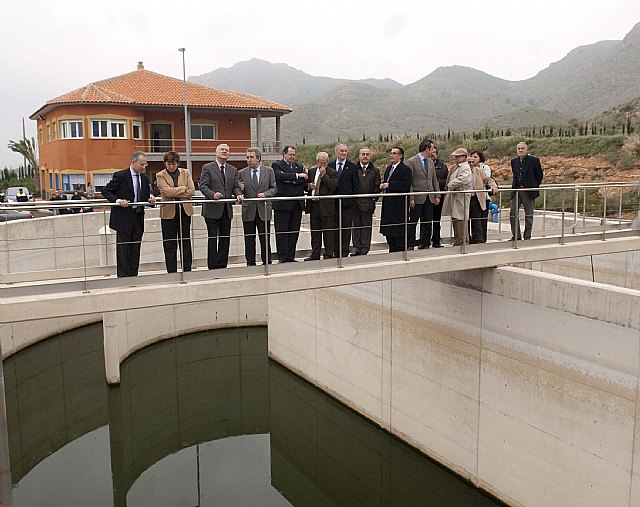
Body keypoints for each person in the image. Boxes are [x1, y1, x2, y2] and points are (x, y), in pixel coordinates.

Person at [102, 150, 156, 277]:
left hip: (138, 218)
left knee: (135, 249)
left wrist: (151, 199)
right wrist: (118, 201)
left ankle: (133, 276)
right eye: (141, 164)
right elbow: (106, 191)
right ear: (133, 162)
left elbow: (144, 195)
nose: (143, 167)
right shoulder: (121, 176)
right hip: (123, 219)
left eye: (145, 165)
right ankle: (123, 277)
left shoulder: (144, 178)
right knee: (123, 250)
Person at [200, 143, 242, 269]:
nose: (225, 151)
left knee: (225, 239)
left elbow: (235, 187)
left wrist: (239, 194)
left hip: (226, 209)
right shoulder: (207, 168)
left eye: (227, 150)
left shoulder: (233, 170)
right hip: (212, 209)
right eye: (222, 149)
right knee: (213, 239)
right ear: (216, 152)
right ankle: (213, 267)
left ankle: (222, 265)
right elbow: (203, 186)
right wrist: (213, 195)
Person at [156, 150, 195, 273]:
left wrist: (175, 191)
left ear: (177, 163)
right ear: (165, 164)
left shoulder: (185, 172)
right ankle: (171, 272)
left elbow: (192, 191)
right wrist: (183, 189)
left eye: (173, 164)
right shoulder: (160, 175)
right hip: (168, 213)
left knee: (185, 242)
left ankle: (187, 270)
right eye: (169, 164)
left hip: (184, 211)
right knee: (170, 244)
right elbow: (166, 192)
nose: (171, 166)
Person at [237, 147, 277, 266]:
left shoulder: (269, 171)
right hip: (248, 210)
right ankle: (250, 263)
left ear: (258, 158)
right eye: (247, 157)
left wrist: (265, 194)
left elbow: (274, 188)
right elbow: (237, 189)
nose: (249, 160)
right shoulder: (241, 173)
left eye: (251, 157)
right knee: (249, 240)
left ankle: (267, 263)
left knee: (264, 238)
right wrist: (239, 192)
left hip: (263, 209)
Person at [271, 145, 307, 263]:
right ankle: (283, 257)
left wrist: (291, 179)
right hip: (282, 204)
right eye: (290, 154)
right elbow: (279, 176)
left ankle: (291, 256)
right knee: (282, 232)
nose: (292, 157)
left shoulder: (299, 166)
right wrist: (296, 176)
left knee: (294, 232)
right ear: (284, 154)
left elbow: (304, 180)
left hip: (297, 205)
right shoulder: (277, 165)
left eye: (293, 155)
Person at [405, 139, 441, 249]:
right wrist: (411, 197)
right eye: (432, 148)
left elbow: (434, 179)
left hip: (429, 197)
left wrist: (437, 194)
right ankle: (410, 244)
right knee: (413, 222)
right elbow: (409, 181)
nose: (433, 151)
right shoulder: (411, 161)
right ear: (426, 149)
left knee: (428, 221)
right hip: (417, 197)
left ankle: (425, 243)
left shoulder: (430, 162)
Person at [305, 151, 339, 261]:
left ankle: (329, 254)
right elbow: (306, 187)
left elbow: (333, 186)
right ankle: (315, 254)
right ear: (317, 161)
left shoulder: (332, 172)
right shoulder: (311, 171)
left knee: (328, 232)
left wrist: (324, 175)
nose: (322, 165)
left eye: (325, 163)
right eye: (320, 162)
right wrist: (309, 186)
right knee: (315, 232)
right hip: (314, 205)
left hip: (327, 207)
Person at [379, 147, 412, 252]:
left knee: (398, 233)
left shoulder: (405, 169)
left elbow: (405, 185)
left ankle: (399, 252)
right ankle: (391, 250)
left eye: (394, 153)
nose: (391, 155)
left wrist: (390, 185)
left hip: (399, 205)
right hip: (388, 204)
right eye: (391, 153)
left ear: (400, 156)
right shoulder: (389, 168)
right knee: (389, 232)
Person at [328, 143, 359, 257]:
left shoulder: (352, 167)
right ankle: (335, 251)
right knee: (334, 228)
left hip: (347, 204)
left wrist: (353, 201)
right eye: (342, 151)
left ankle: (344, 251)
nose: (344, 153)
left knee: (346, 229)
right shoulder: (330, 166)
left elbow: (356, 186)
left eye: (345, 151)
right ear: (336, 152)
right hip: (333, 204)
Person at [510, 142, 544, 240]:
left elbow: (539, 175)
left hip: (528, 191)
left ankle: (527, 236)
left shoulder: (533, 160)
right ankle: (516, 236)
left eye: (522, 149)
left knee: (528, 215)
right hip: (516, 190)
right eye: (519, 149)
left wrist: (533, 186)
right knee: (513, 213)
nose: (520, 150)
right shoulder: (514, 161)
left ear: (526, 150)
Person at [351, 147, 381, 256]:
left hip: (368, 203)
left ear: (370, 156)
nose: (365, 156)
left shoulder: (375, 170)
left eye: (367, 154)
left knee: (366, 227)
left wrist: (373, 199)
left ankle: (365, 248)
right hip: (355, 203)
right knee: (356, 226)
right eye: (363, 154)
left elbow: (377, 186)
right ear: (359, 156)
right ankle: (356, 247)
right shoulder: (354, 169)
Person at [442, 148, 472, 246]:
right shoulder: (456, 167)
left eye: (458, 156)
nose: (455, 158)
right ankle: (457, 240)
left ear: (464, 157)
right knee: (455, 217)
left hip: (461, 196)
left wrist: (451, 184)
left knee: (461, 218)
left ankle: (463, 241)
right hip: (455, 196)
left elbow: (464, 179)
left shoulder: (465, 167)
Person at [467, 150, 498, 243]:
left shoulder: (481, 170)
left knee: (479, 220)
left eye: (474, 160)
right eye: (470, 162)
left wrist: (493, 186)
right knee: (470, 220)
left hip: (479, 198)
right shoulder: (464, 171)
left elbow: (488, 179)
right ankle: (470, 239)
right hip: (468, 198)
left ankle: (480, 240)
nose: (472, 163)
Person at [430, 144, 448, 247]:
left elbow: (446, 180)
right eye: (431, 152)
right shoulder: (424, 165)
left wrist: (436, 183)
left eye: (434, 152)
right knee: (425, 219)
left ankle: (436, 240)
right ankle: (424, 240)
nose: (432, 154)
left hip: (438, 196)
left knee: (436, 220)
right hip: (426, 196)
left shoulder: (443, 166)